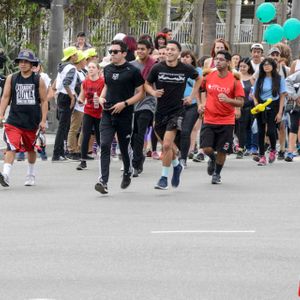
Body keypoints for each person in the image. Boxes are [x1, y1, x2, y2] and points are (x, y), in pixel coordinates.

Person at [145, 40, 201, 190]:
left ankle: (163, 178)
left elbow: (199, 79)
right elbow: (147, 83)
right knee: (167, 146)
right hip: (160, 112)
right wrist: (153, 92)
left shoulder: (185, 68)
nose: (169, 52)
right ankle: (177, 166)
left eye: (172, 50)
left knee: (167, 145)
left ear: (178, 53)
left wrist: (192, 97)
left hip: (177, 112)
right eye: (167, 49)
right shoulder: (157, 67)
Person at [94, 40, 144, 194]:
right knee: (104, 144)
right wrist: (102, 98)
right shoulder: (107, 69)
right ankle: (103, 181)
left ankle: (128, 171)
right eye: (111, 52)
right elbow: (107, 86)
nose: (112, 54)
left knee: (123, 146)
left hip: (125, 115)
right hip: (108, 113)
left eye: (116, 52)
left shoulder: (133, 70)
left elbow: (141, 93)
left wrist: (125, 104)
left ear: (124, 53)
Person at [0, 50, 48, 187]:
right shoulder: (12, 78)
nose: (23, 64)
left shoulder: (38, 79)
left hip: (32, 121)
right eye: (21, 61)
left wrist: (43, 120)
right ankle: (6, 175)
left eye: (26, 62)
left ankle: (30, 174)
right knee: (11, 146)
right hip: (14, 120)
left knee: (31, 149)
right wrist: (1, 114)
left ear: (32, 64)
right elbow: (5, 97)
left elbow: (44, 101)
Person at [199, 50, 244, 184]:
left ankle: (217, 174)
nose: (217, 62)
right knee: (206, 148)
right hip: (209, 118)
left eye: (221, 60)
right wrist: (201, 104)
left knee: (222, 150)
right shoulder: (209, 77)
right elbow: (201, 89)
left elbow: (241, 102)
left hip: (226, 121)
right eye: (216, 59)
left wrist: (228, 100)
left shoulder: (234, 80)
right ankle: (212, 159)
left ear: (228, 62)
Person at [252, 57, 286, 166]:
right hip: (260, 105)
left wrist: (280, 112)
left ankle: (273, 150)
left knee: (271, 131)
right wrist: (256, 103)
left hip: (273, 105)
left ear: (273, 66)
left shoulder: (279, 79)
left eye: (269, 64)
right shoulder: (259, 78)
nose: (266, 66)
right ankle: (262, 156)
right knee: (261, 131)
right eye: (264, 64)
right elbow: (254, 93)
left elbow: (282, 96)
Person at [131, 39, 156, 177]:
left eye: (143, 49)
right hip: (132, 103)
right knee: (134, 135)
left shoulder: (154, 65)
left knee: (141, 133)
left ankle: (135, 164)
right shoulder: (131, 65)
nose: (140, 51)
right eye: (138, 49)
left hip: (148, 103)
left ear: (149, 50)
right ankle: (139, 157)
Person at [76, 61, 104, 170]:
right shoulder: (85, 82)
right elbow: (82, 96)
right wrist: (80, 101)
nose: (91, 69)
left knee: (99, 135)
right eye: (89, 67)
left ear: (98, 70)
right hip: (88, 111)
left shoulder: (102, 82)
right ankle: (83, 161)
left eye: (93, 67)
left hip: (100, 112)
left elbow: (105, 95)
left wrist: (101, 100)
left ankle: (103, 157)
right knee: (85, 134)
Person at [52, 46, 78, 161]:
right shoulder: (71, 68)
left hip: (61, 96)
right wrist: (72, 97)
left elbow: (57, 84)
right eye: (76, 54)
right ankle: (56, 154)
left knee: (64, 126)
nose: (77, 56)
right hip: (67, 96)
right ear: (72, 56)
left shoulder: (62, 67)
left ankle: (60, 153)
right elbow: (66, 82)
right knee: (63, 127)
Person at [179, 50, 201, 167]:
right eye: (182, 57)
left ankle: (183, 158)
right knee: (177, 131)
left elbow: (199, 86)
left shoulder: (197, 71)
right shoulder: (177, 70)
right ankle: (179, 153)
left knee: (186, 130)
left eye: (187, 57)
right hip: (177, 105)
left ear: (192, 59)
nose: (184, 59)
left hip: (192, 105)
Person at [66, 50, 87, 160]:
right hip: (79, 104)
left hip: (85, 104)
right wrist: (75, 98)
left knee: (83, 128)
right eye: (84, 59)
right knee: (74, 127)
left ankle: (79, 149)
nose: (85, 61)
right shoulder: (75, 72)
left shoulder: (83, 72)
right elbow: (73, 87)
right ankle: (71, 150)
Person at [236, 57, 255, 159]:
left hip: (250, 107)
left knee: (249, 128)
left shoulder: (252, 78)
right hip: (238, 106)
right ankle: (240, 148)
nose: (242, 68)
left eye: (244, 66)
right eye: (240, 66)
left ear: (249, 67)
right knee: (240, 129)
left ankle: (249, 147)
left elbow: (255, 92)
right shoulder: (236, 77)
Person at [284, 71, 300, 162]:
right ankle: (290, 153)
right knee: (294, 126)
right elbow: (287, 81)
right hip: (297, 104)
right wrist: (295, 96)